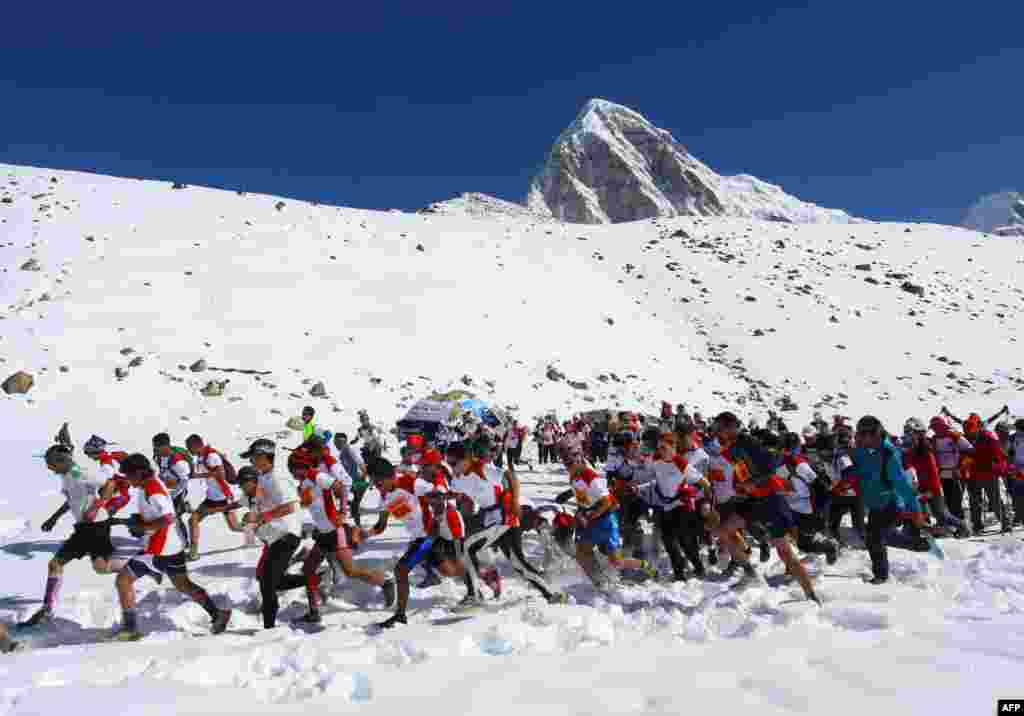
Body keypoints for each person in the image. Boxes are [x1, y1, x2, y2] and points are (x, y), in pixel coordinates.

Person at [111, 453, 231, 640]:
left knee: (123, 580)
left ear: (140, 472)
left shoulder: (153, 490)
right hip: (172, 547)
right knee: (183, 584)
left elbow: (167, 518)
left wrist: (143, 527)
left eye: (129, 475)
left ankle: (131, 628)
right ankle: (218, 614)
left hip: (159, 548)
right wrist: (140, 521)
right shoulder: (149, 484)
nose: (127, 478)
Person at [447, 443, 565, 606]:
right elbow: (455, 495)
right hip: (491, 519)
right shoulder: (457, 479)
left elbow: (510, 476)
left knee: (466, 547)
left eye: (454, 463)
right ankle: (552, 594)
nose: (452, 467)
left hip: (504, 516)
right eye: (449, 463)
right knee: (518, 564)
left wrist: (515, 501)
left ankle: (474, 596)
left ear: (466, 459)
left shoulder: (481, 468)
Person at [287, 448, 394, 624]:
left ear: (302, 466)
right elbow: (312, 505)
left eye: (293, 469)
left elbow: (340, 486)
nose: (292, 474)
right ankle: (314, 612)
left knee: (350, 571)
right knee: (308, 569)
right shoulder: (305, 482)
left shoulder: (316, 476)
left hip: (335, 531)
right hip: (322, 533)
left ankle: (386, 583)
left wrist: (343, 511)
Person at [20, 444, 121, 627]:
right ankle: (47, 610)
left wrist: (95, 507)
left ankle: (137, 566)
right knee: (62, 564)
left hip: (97, 526)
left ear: (62, 461)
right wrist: (54, 518)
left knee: (99, 567)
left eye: (51, 463)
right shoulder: (67, 475)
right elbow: (72, 499)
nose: (49, 468)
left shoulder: (79, 472)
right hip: (83, 528)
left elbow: (110, 484)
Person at [368, 457, 469, 629]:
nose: (376, 485)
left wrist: (437, 520)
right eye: (373, 482)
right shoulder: (384, 499)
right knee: (449, 571)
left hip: (429, 536)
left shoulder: (410, 482)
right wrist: (364, 534)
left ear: (389, 476)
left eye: (378, 481)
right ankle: (481, 576)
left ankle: (400, 615)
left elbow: (438, 496)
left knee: (401, 570)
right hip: (418, 538)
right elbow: (380, 525)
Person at [839, 416, 926, 585]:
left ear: (875, 434)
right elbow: (861, 469)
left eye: (862, 436)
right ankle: (917, 543)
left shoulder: (889, 454)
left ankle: (881, 576)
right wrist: (849, 476)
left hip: (890, 502)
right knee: (882, 536)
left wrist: (916, 510)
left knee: (874, 538)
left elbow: (902, 485)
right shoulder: (862, 449)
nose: (859, 439)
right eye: (858, 436)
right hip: (874, 503)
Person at [238, 439, 304, 629]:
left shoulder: (276, 478)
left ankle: (269, 627)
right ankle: (312, 578)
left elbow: (292, 506)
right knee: (270, 581)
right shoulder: (264, 478)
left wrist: (263, 518)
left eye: (252, 458)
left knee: (268, 583)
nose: (251, 463)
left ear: (263, 457)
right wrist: (254, 516)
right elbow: (265, 504)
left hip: (286, 535)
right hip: (275, 537)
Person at [566, 451, 658, 586]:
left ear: (580, 461)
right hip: (592, 519)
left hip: (605, 520)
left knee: (616, 561)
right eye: (565, 463)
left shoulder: (590, 476)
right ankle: (600, 581)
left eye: (570, 463)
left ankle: (646, 566)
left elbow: (607, 502)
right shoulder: (573, 476)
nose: (567, 466)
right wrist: (580, 513)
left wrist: (590, 516)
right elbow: (583, 499)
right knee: (581, 553)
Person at [902, 418, 969, 538]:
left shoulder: (926, 449)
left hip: (932, 487)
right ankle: (919, 533)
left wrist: (932, 490)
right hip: (919, 487)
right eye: (907, 433)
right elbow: (907, 466)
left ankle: (962, 527)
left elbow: (933, 471)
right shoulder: (909, 449)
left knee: (942, 514)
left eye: (911, 433)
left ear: (919, 434)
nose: (909, 436)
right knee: (918, 511)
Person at [186, 434, 245, 561]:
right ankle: (258, 530)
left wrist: (197, 476)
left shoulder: (211, 456)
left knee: (194, 520)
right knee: (234, 527)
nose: (188, 451)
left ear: (196, 446)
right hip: (214, 497)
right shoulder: (203, 455)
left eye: (189, 448)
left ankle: (193, 553)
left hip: (222, 497)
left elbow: (221, 474)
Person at [959, 413, 1009, 533]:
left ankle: (1005, 523)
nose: (969, 433)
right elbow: (962, 455)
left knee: (994, 500)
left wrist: (999, 466)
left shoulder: (988, 437)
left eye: (971, 430)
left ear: (977, 427)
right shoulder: (964, 438)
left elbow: (999, 455)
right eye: (967, 431)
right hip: (973, 475)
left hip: (989, 474)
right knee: (974, 501)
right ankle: (977, 525)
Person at [152, 433, 194, 551]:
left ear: (165, 446)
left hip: (177, 492)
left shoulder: (178, 461)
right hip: (167, 490)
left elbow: (184, 480)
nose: (155, 449)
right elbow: (162, 471)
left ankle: (185, 544)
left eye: (157, 447)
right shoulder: (158, 456)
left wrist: (174, 495)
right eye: (154, 446)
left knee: (176, 518)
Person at [929, 416, 973, 520]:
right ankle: (955, 526)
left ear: (943, 426)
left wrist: (961, 468)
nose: (935, 429)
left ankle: (963, 526)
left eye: (936, 426)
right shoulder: (934, 439)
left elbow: (970, 451)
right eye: (933, 427)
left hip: (956, 475)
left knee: (957, 502)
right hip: (943, 475)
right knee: (948, 502)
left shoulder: (955, 435)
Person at [333, 433, 370, 527]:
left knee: (352, 504)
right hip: (354, 481)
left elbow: (361, 463)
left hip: (358, 481)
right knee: (352, 504)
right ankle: (356, 525)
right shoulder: (343, 451)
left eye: (340, 442)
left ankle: (356, 526)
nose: (337, 444)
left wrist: (362, 479)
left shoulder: (350, 450)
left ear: (345, 442)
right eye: (336, 441)